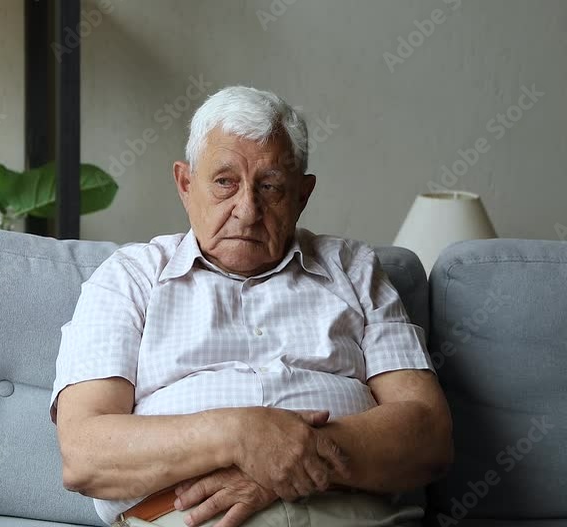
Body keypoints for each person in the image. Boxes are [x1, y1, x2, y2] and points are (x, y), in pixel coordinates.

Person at [50, 86, 453, 527]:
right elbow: (84, 453)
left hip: (351, 513)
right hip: (189, 518)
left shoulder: (353, 268)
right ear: (186, 184)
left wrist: (284, 465)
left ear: (302, 195)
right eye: (225, 182)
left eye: (271, 187)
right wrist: (238, 435)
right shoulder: (129, 277)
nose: (247, 210)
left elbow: (429, 434)